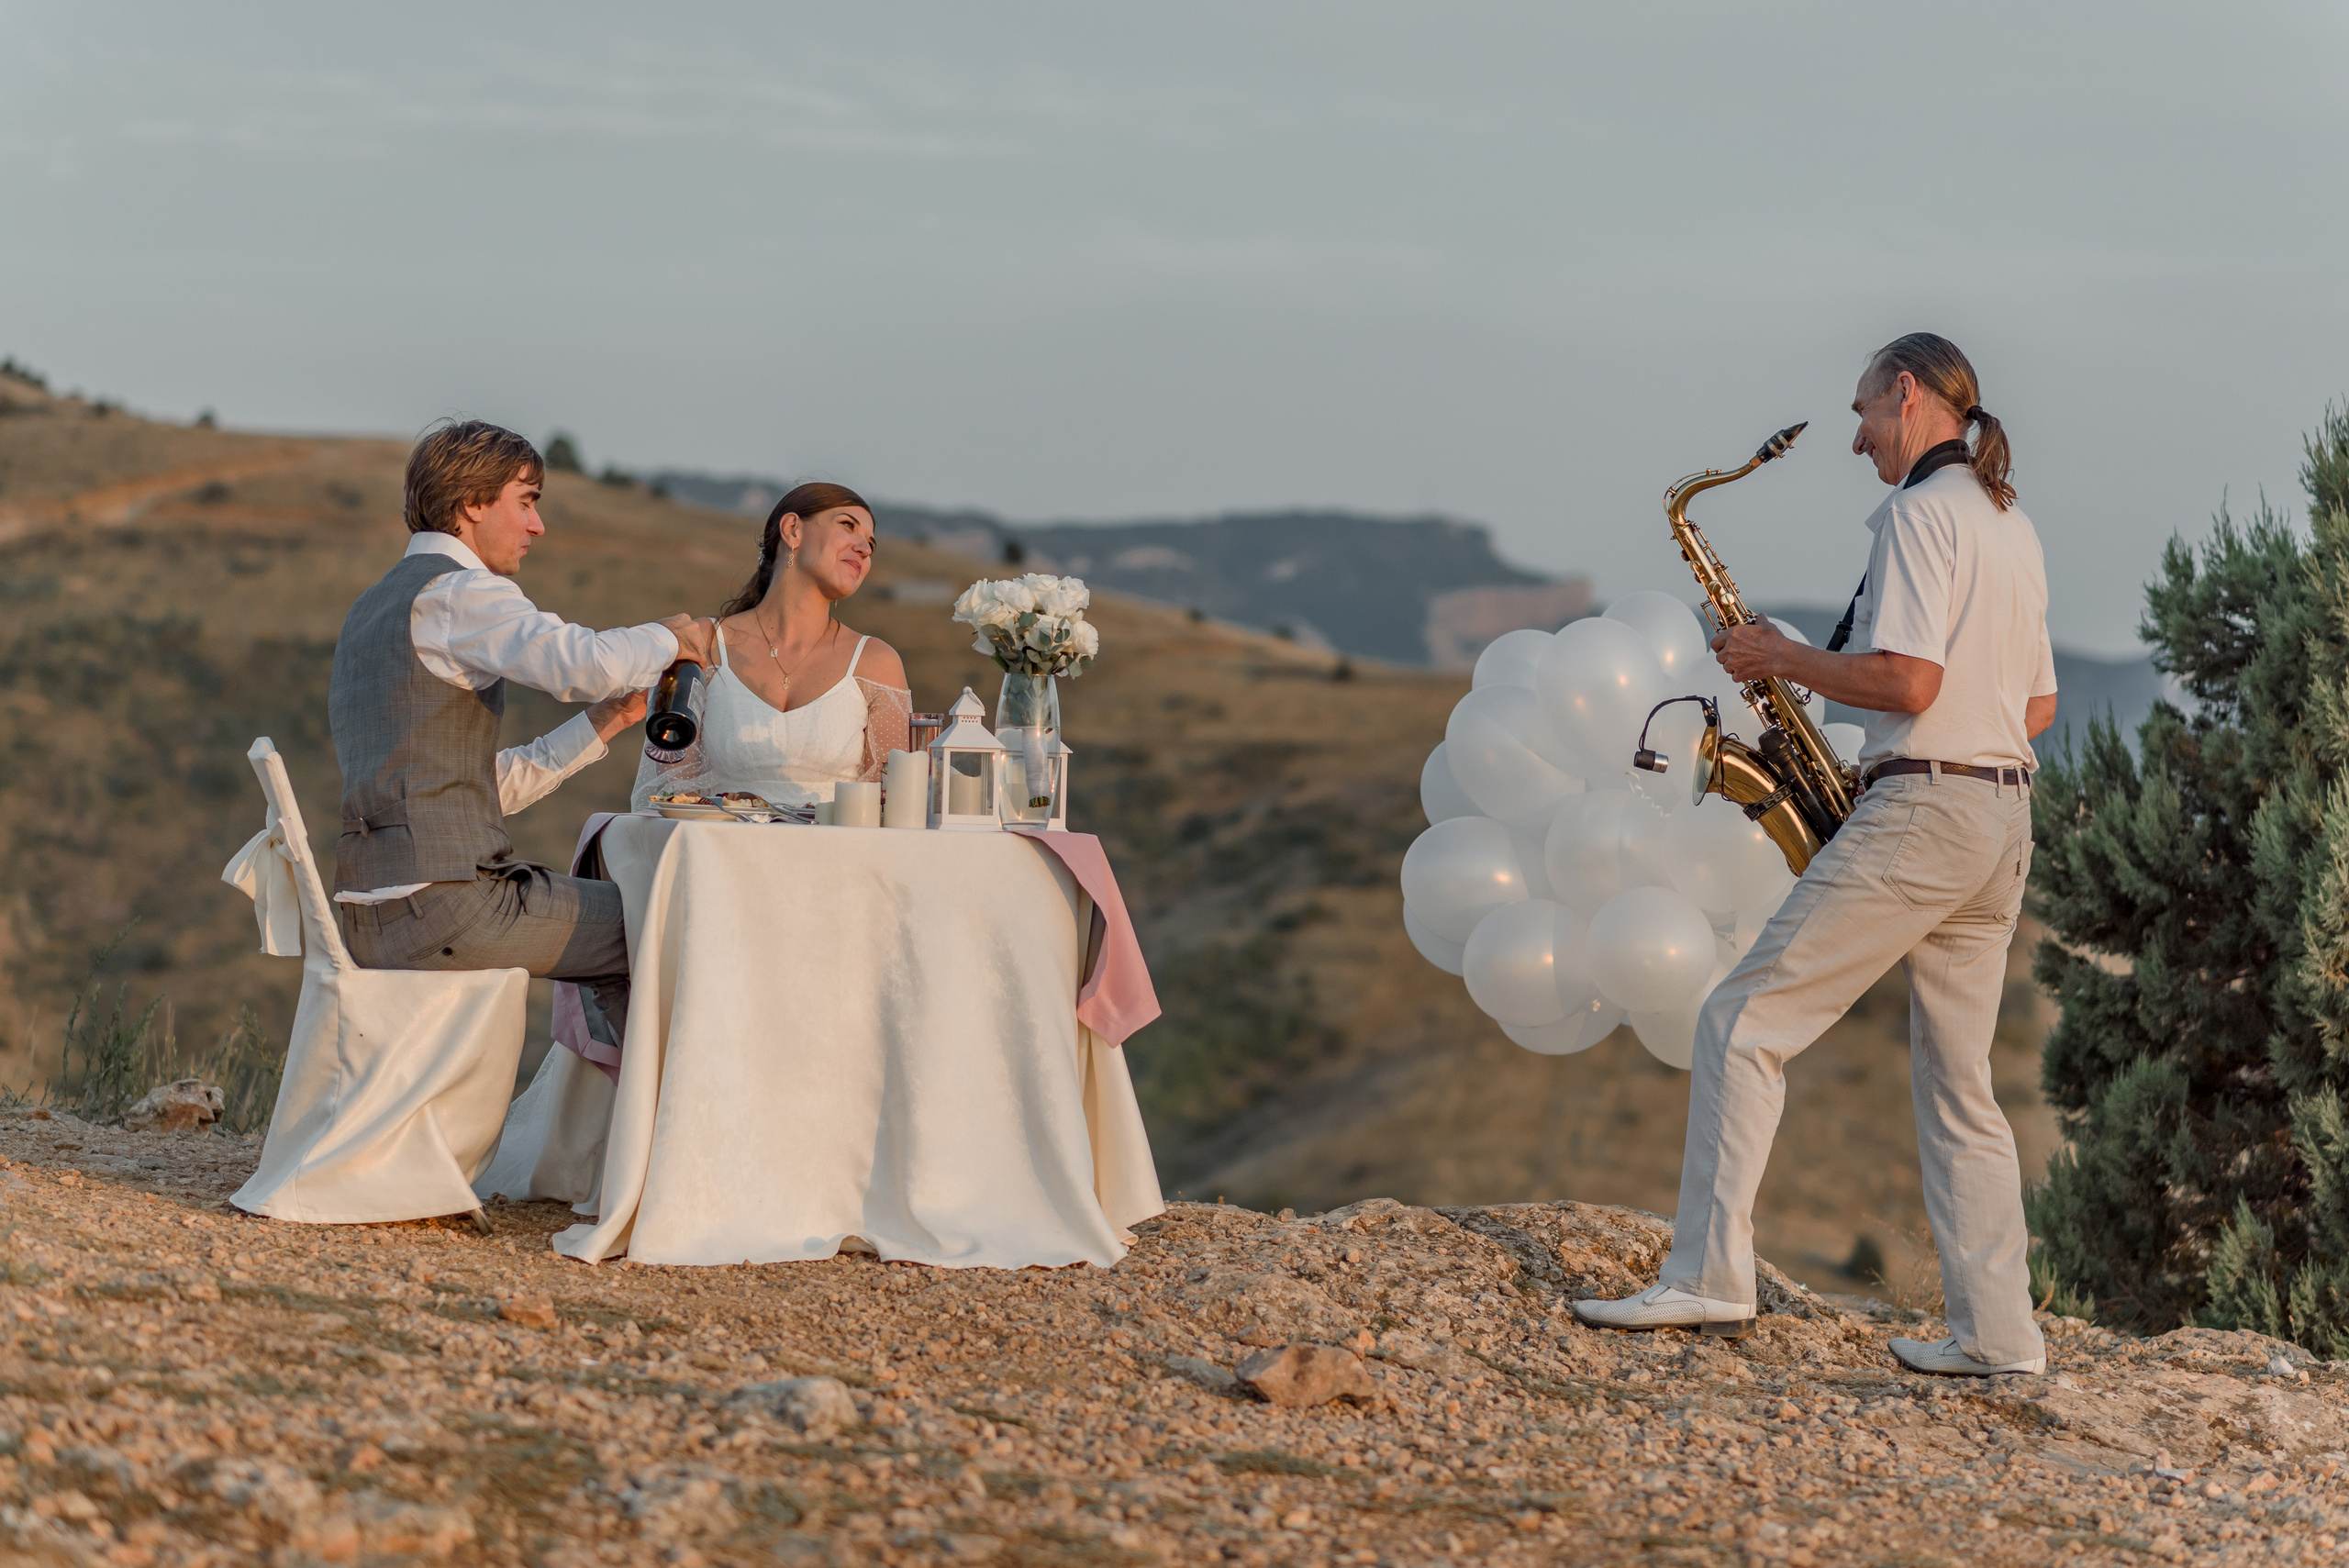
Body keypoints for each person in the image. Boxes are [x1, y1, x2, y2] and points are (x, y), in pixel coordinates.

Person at [1573, 333, 2059, 1377]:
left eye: (1863, 414)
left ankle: (1708, 1275)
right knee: (1960, 1085)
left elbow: (1911, 683)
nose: (1854, 439)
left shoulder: (1924, 514)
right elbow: (2040, 705)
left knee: (1740, 1019)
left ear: (1907, 391)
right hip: (2000, 818)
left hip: (1924, 811)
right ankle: (2000, 1336)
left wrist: (1777, 657)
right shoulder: (2008, 520)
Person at [331, 418, 718, 1043]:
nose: (537, 526)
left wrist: (606, 721)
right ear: (473, 503)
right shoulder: (461, 594)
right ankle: (653, 1129)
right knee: (668, 924)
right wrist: (672, 636)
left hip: (368, 913)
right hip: (448, 906)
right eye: (527, 502)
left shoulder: (371, 609)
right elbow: (583, 664)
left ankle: (609, 1125)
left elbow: (472, 794)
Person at [630, 482, 911, 811]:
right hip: (721, 853)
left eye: (871, 544)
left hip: (835, 858)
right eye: (848, 526)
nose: (864, 547)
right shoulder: (702, 644)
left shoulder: (877, 663)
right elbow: (673, 789)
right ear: (792, 530)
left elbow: (892, 804)